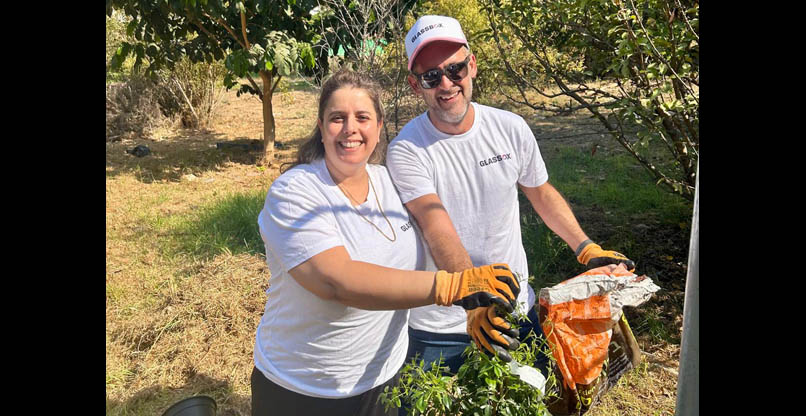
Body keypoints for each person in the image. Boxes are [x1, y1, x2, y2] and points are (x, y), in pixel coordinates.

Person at [251, 68, 521, 416]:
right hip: (303, 387)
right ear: (321, 128)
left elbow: (437, 229)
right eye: (337, 118)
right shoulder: (294, 193)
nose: (350, 128)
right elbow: (336, 280)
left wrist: (474, 301)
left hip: (383, 380)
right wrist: (453, 287)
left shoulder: (388, 182)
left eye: (362, 117)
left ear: (379, 128)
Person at [386, 15, 636, 375]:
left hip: (517, 311)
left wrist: (586, 248)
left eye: (455, 69)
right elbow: (433, 223)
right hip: (441, 329)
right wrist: (471, 300)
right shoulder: (408, 149)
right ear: (415, 85)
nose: (446, 83)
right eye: (431, 76)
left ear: (471, 66)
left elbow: (540, 192)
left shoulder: (509, 127)